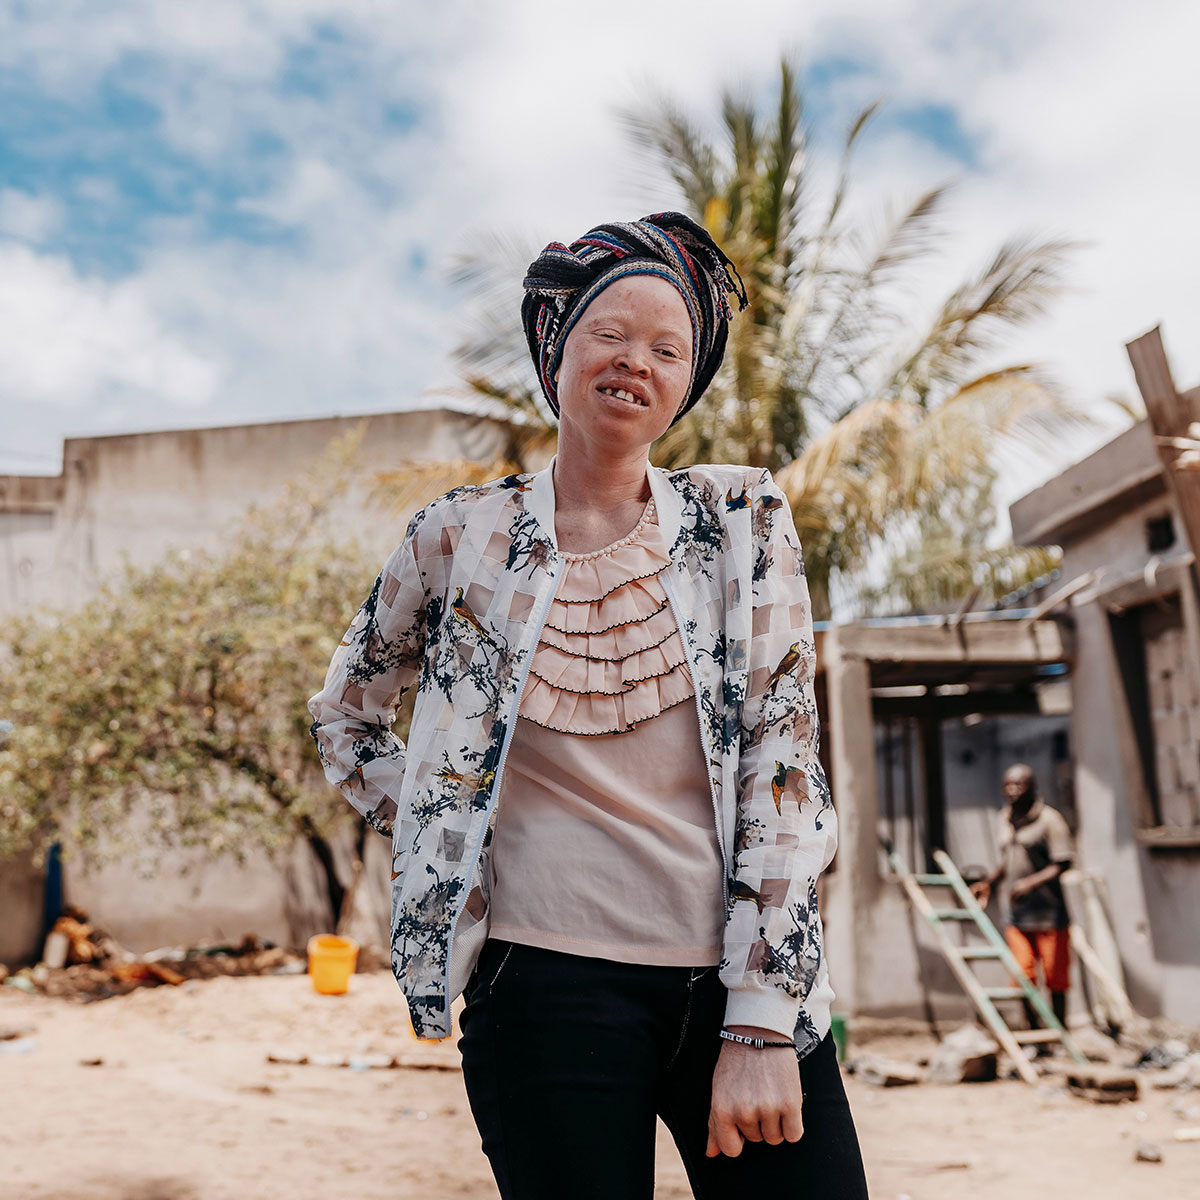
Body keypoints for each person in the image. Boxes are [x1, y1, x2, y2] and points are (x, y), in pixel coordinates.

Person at [309, 212, 867, 1198]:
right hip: (541, 989)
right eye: (611, 333)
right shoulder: (457, 537)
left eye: (668, 347)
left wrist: (759, 1020)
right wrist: (450, 833)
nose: (635, 362)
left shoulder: (744, 521)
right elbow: (348, 716)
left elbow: (784, 768)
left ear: (688, 382)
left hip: (737, 983)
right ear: (556, 345)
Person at [971, 762, 1075, 1028]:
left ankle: (1059, 1032)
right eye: (1008, 785)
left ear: (1031, 787)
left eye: (1019, 784)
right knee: (1022, 974)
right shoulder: (1004, 819)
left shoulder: (1050, 820)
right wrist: (990, 883)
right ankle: (1034, 1034)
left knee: (1055, 976)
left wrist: (1030, 883)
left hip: (1049, 914)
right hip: (1017, 914)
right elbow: (1007, 861)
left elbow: (1062, 863)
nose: (1012, 790)